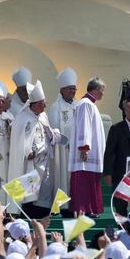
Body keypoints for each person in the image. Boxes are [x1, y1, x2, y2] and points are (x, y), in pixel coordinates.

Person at [8, 80, 64, 218]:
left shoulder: (43, 115)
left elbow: (47, 131)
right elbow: (20, 139)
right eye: (42, 103)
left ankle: (43, 210)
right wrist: (28, 151)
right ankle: (28, 211)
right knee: (30, 187)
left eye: (45, 102)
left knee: (45, 185)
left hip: (44, 158)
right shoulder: (23, 118)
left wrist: (53, 134)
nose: (45, 105)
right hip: (30, 160)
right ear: (34, 104)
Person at [69, 77, 107, 217]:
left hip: (90, 152)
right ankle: (84, 209)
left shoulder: (89, 104)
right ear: (97, 89)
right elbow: (84, 126)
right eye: (102, 90)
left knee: (90, 181)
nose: (103, 93)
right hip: (86, 153)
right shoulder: (86, 104)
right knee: (84, 182)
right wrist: (84, 147)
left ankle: (90, 208)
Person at [48, 67, 78, 206]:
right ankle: (63, 205)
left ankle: (77, 203)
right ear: (62, 90)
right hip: (63, 150)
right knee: (63, 177)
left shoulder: (79, 105)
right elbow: (53, 128)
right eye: (69, 88)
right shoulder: (56, 107)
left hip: (78, 149)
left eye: (74, 88)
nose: (72, 91)